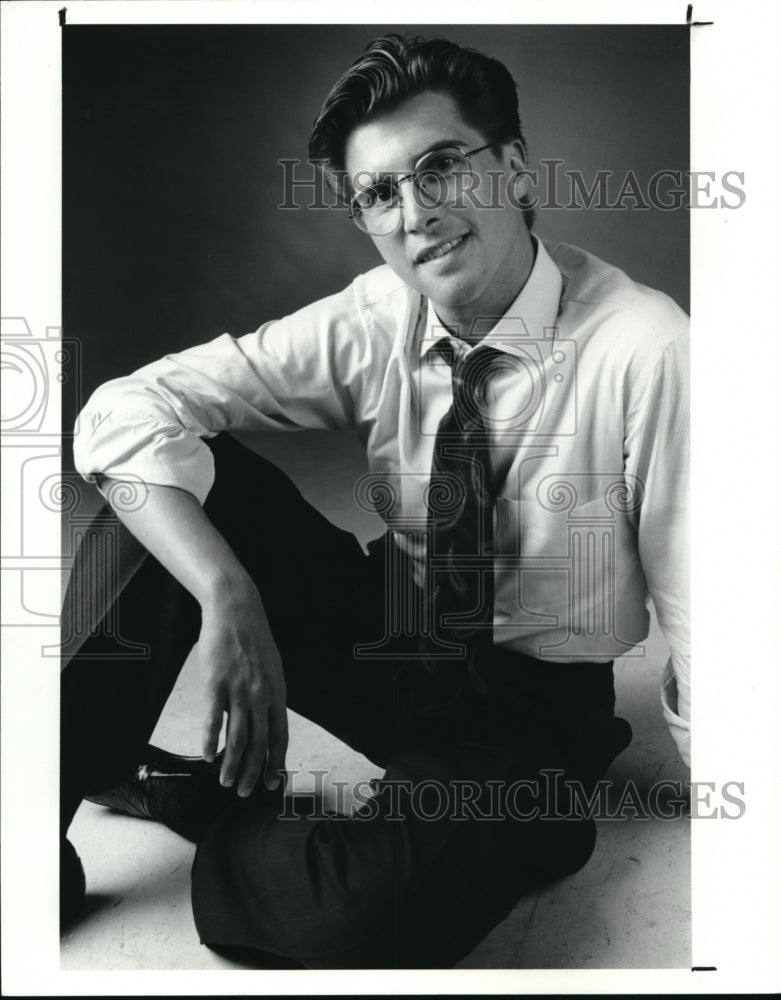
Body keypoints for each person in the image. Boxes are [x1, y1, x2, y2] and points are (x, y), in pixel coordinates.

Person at [60, 33, 689, 968]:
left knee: (352, 914)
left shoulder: (646, 345)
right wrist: (229, 598)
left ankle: (224, 809)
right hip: (386, 637)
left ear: (513, 169)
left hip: (525, 712)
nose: (417, 215)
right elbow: (121, 412)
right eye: (380, 194)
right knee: (153, 493)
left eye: (440, 168)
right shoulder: (375, 315)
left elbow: (706, 604)